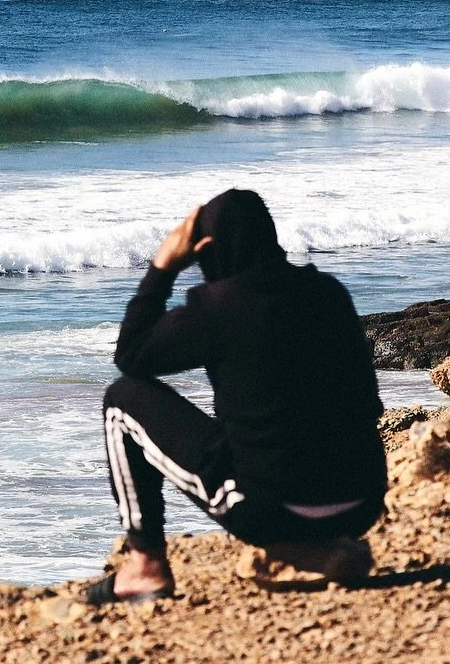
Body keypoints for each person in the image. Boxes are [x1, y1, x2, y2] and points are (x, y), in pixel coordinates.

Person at [85, 189, 387, 605]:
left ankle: (145, 564)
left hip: (266, 510)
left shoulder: (216, 306)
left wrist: (162, 268)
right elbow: (368, 403)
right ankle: (321, 548)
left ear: (205, 250)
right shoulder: (329, 292)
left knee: (122, 401)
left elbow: (131, 356)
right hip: (362, 501)